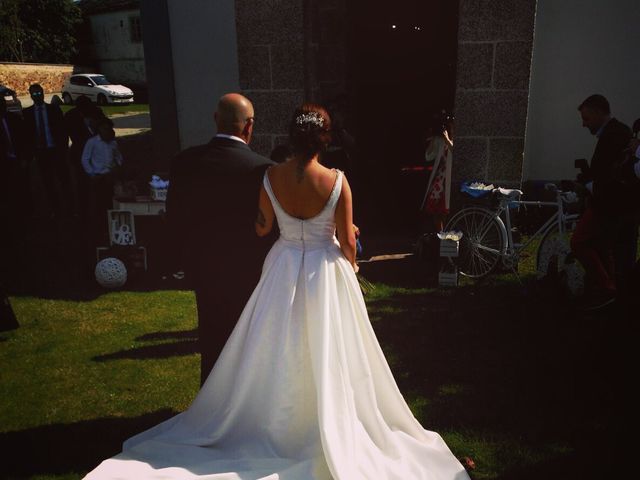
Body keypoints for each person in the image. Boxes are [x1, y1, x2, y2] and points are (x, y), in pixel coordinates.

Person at [84, 104, 471, 480]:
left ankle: (274, 417)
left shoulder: (270, 178)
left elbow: (262, 227)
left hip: (283, 264)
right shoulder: (337, 180)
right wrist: (350, 255)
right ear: (324, 139)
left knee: (276, 342)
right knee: (331, 345)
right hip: (324, 268)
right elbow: (346, 241)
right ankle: (325, 415)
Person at [165, 93, 274, 386]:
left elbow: (174, 217)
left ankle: (210, 400)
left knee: (212, 336)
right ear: (249, 126)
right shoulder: (262, 169)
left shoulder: (184, 162)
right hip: (249, 269)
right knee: (247, 341)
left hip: (203, 266)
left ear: (216, 119)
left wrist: (183, 260)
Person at [570, 94, 632, 309]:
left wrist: (588, 185)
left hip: (608, 204)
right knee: (603, 247)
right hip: (612, 204)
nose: (584, 124)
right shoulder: (618, 132)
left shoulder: (614, 135)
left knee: (579, 242)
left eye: (586, 118)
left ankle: (606, 288)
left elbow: (608, 177)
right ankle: (608, 290)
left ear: (598, 112)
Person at [22, 83, 71, 218]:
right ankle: (55, 209)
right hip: (41, 152)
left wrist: (63, 148)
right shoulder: (27, 113)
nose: (38, 96)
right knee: (48, 181)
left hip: (55, 149)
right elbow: (27, 135)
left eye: (40, 93)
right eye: (35, 94)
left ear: (43, 93)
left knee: (64, 179)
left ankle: (70, 207)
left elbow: (63, 131)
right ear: (31, 96)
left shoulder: (53, 110)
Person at [65, 95, 107, 219]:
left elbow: (107, 129)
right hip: (80, 154)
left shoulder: (96, 113)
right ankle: (84, 212)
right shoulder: (70, 116)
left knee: (99, 184)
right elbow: (70, 134)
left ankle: (100, 210)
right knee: (82, 184)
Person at [81, 118, 123, 243]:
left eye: (109, 129)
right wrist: (92, 174)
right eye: (105, 129)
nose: (108, 131)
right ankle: (100, 229)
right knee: (100, 204)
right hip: (98, 176)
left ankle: (113, 226)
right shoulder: (92, 142)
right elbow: (85, 159)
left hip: (110, 176)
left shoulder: (113, 143)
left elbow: (118, 156)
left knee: (112, 201)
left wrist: (118, 165)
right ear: (99, 130)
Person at [420, 111, 454, 232]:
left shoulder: (453, 140)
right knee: (436, 210)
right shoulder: (440, 140)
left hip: (451, 179)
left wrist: (447, 139)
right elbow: (429, 157)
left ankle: (446, 234)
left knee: (447, 210)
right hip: (441, 179)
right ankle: (440, 234)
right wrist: (430, 142)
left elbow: (456, 152)